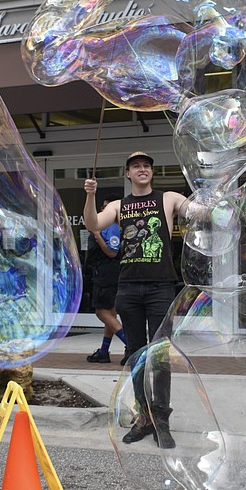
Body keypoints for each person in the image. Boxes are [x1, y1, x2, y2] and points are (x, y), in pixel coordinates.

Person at [83, 151, 188, 449]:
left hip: (160, 287)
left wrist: (216, 200)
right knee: (136, 354)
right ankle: (144, 418)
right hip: (128, 288)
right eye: (136, 166)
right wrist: (90, 195)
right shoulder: (118, 205)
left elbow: (198, 212)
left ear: (151, 172)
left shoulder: (168, 198)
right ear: (127, 173)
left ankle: (162, 420)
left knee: (161, 356)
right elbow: (93, 223)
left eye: (146, 166)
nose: (142, 169)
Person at [85, 196, 129, 364]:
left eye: (107, 207)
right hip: (106, 272)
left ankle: (131, 345)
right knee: (110, 313)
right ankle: (104, 351)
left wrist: (97, 235)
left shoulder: (110, 227)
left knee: (101, 312)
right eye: (103, 206)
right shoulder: (108, 225)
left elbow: (112, 252)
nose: (104, 210)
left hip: (106, 274)